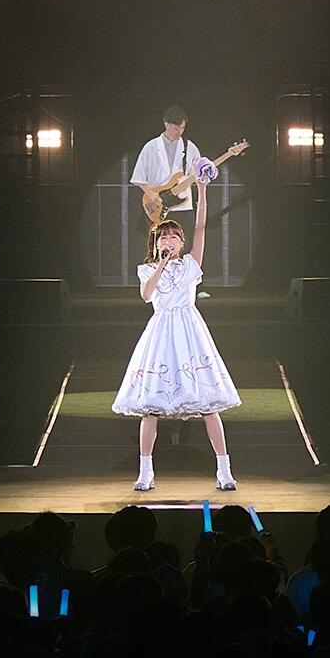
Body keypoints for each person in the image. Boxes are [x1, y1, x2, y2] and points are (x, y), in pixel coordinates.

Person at [112, 180, 241, 492]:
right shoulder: (147, 269)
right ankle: (145, 473)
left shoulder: (190, 265)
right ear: (156, 242)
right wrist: (161, 263)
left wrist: (203, 191)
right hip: (160, 333)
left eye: (173, 236)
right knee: (151, 408)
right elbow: (146, 295)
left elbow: (201, 227)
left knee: (208, 405)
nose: (168, 240)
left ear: (181, 242)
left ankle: (224, 471)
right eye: (163, 236)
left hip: (189, 331)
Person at [131, 106, 204, 223]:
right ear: (166, 124)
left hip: (182, 207)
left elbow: (199, 175)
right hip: (157, 207)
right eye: (176, 128)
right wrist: (151, 194)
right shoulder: (151, 147)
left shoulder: (190, 147)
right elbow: (138, 177)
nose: (179, 132)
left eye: (182, 128)